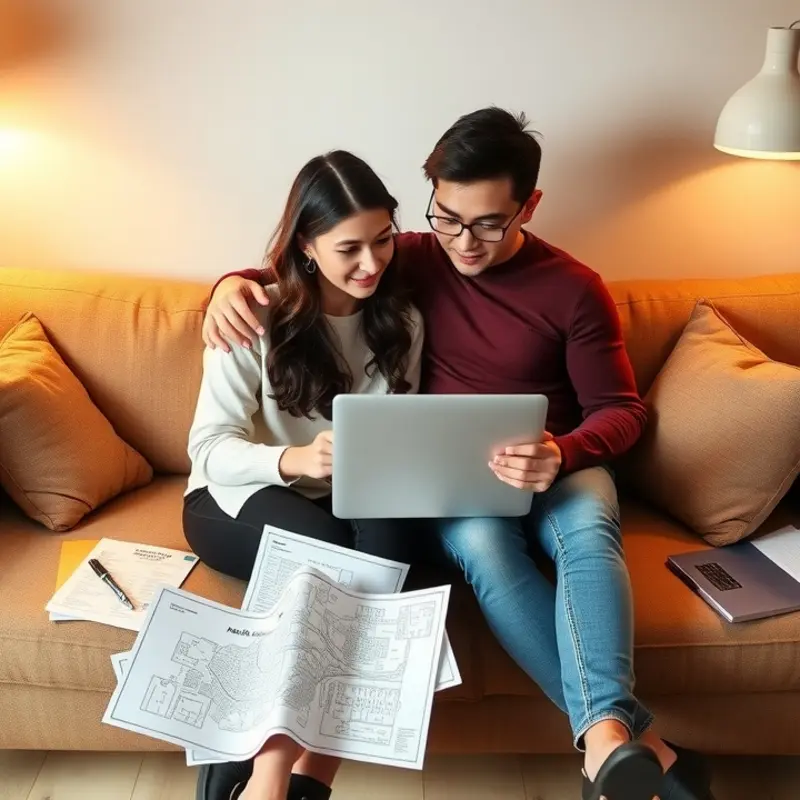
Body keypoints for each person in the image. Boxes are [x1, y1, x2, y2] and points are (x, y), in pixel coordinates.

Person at [201, 108, 714, 800]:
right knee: (485, 554)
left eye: (487, 223)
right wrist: (227, 285)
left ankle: (604, 744)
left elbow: (623, 412)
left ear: (528, 206)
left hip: (559, 463)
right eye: (446, 216)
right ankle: (637, 743)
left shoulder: (574, 288)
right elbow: (315, 258)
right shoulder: (409, 254)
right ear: (432, 199)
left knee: (590, 534)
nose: (463, 242)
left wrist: (562, 451)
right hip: (462, 482)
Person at [184, 149, 424, 800]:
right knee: (328, 562)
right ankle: (268, 778)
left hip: (346, 500)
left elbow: (396, 434)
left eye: (384, 241)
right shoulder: (252, 316)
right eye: (349, 248)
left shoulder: (402, 322)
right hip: (235, 494)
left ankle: (302, 779)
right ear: (307, 247)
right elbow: (207, 449)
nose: (371, 263)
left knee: (389, 563)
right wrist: (292, 459)